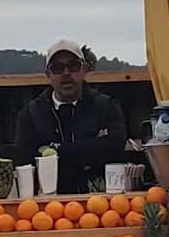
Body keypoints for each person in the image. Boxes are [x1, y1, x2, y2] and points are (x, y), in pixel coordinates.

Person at [14, 40, 127, 193]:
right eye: (57, 68)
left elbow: (115, 149)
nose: (66, 73)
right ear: (48, 74)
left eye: (73, 66)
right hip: (49, 202)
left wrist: (56, 150)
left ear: (84, 69)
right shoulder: (31, 114)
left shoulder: (106, 106)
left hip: (100, 200)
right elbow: (25, 161)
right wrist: (90, 148)